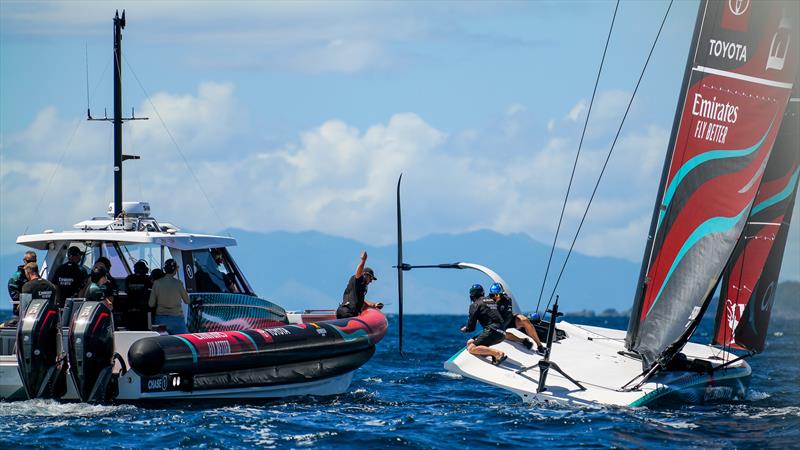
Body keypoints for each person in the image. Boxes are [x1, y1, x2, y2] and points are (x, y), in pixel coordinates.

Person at [489, 282, 546, 354]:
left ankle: (539, 345)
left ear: (502, 294)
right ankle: (522, 340)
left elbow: (507, 316)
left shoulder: (507, 300)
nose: (495, 297)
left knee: (525, 320)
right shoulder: (488, 301)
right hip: (497, 323)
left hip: (508, 319)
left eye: (497, 295)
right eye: (492, 295)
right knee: (501, 333)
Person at [460, 284, 507, 365]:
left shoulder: (475, 304)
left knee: (471, 348)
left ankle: (497, 354)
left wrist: (465, 329)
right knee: (470, 342)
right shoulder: (490, 300)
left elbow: (471, 328)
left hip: (493, 331)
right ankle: (490, 355)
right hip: (502, 332)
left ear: (472, 296)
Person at [336, 251, 383, 319]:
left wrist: (374, 305)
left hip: (344, 311)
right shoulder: (359, 279)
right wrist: (363, 261)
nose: (371, 281)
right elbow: (358, 272)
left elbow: (363, 301)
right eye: (371, 278)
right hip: (347, 312)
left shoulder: (361, 286)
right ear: (365, 275)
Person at [148, 259, 190, 334]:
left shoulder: (157, 283)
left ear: (165, 270)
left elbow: (151, 304)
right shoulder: (179, 283)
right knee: (183, 341)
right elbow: (187, 301)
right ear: (175, 270)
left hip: (161, 319)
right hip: (177, 320)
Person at [123, 260, 153, 330]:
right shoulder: (147, 279)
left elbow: (126, 291)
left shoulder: (129, 278)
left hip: (130, 308)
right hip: (143, 310)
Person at [7, 251, 36, 317]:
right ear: (24, 261)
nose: (31, 263)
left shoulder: (36, 275)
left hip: (35, 311)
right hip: (21, 313)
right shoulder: (16, 277)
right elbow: (15, 296)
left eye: (34, 261)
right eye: (29, 261)